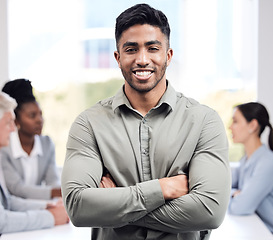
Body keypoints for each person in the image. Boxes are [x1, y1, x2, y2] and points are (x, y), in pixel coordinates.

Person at [61, 3, 231, 240]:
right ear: (118, 58)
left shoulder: (204, 121)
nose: (142, 59)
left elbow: (209, 211)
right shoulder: (89, 124)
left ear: (168, 55)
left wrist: (116, 204)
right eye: (131, 49)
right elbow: (78, 207)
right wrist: (164, 189)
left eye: (152, 48)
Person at [0, 92, 69, 234]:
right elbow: (3, 221)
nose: (12, 128)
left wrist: (47, 206)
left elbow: (7, 201)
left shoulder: (46, 143)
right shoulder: (5, 151)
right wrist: (51, 216)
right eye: (8, 122)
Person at [229, 102, 273, 240]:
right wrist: (235, 193)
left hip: (272, 235)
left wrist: (237, 196)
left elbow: (240, 207)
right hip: (256, 229)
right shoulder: (246, 159)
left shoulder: (267, 163)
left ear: (252, 125)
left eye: (235, 121)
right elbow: (224, 185)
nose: (230, 127)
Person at [1, 79, 61, 200]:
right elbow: (17, 189)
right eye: (32, 115)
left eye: (40, 114)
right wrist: (57, 192)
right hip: (14, 211)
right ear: (16, 120)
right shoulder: (5, 147)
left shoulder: (47, 144)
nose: (40, 120)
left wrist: (57, 203)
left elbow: (53, 181)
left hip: (39, 208)